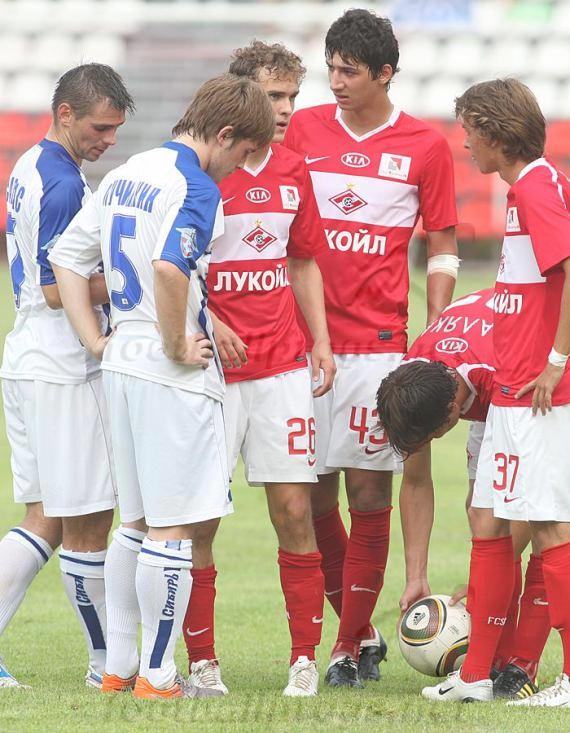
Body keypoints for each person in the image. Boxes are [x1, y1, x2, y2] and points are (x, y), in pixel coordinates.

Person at [49, 73, 275, 700]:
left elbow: (66, 259)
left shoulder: (129, 170)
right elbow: (171, 268)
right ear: (224, 134)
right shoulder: (195, 185)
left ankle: (119, 668)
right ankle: (158, 675)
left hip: (122, 357)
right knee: (174, 529)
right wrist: (177, 343)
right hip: (168, 370)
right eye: (242, 154)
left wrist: (96, 339)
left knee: (137, 523)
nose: (239, 169)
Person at [283, 8, 459, 687]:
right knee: (310, 498)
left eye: (349, 71)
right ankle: (358, 633)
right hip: (304, 345)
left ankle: (345, 646)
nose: (335, 81)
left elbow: (442, 246)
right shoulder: (304, 129)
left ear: (385, 73)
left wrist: (434, 330)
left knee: (367, 490)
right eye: (330, 68)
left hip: (377, 349)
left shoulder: (425, 146)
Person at [182, 41, 335, 698]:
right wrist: (208, 321)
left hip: (281, 367)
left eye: (293, 96)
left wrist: (320, 340)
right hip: (209, 371)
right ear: (241, 97)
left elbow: (301, 259)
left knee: (295, 508)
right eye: (275, 96)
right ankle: (202, 662)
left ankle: (304, 658)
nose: (286, 109)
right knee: (199, 518)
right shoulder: (201, 172)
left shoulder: (295, 170)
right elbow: (177, 267)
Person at [419, 78, 570, 705]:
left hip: (539, 394)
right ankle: (476, 674)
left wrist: (557, 361)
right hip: (511, 389)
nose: (465, 143)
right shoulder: (523, 189)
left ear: (495, 132)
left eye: (470, 130)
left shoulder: (537, 187)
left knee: (552, 528)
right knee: (488, 521)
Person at [0, 63, 134, 689]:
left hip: (27, 355)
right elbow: (60, 289)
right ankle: (106, 665)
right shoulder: (62, 185)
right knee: (88, 519)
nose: (109, 140)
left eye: (115, 130)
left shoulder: (31, 165)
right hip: (63, 363)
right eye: (100, 129)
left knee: (46, 518)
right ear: (65, 114)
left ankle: (105, 661)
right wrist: (134, 277)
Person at [377, 289, 551, 700]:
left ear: (454, 412)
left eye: (434, 437)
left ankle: (522, 666)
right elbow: (415, 482)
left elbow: (520, 511)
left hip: (535, 386)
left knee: (546, 523)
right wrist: (416, 576)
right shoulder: (409, 385)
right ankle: (492, 662)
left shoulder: (496, 371)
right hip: (495, 386)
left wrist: (479, 585)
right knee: (481, 510)